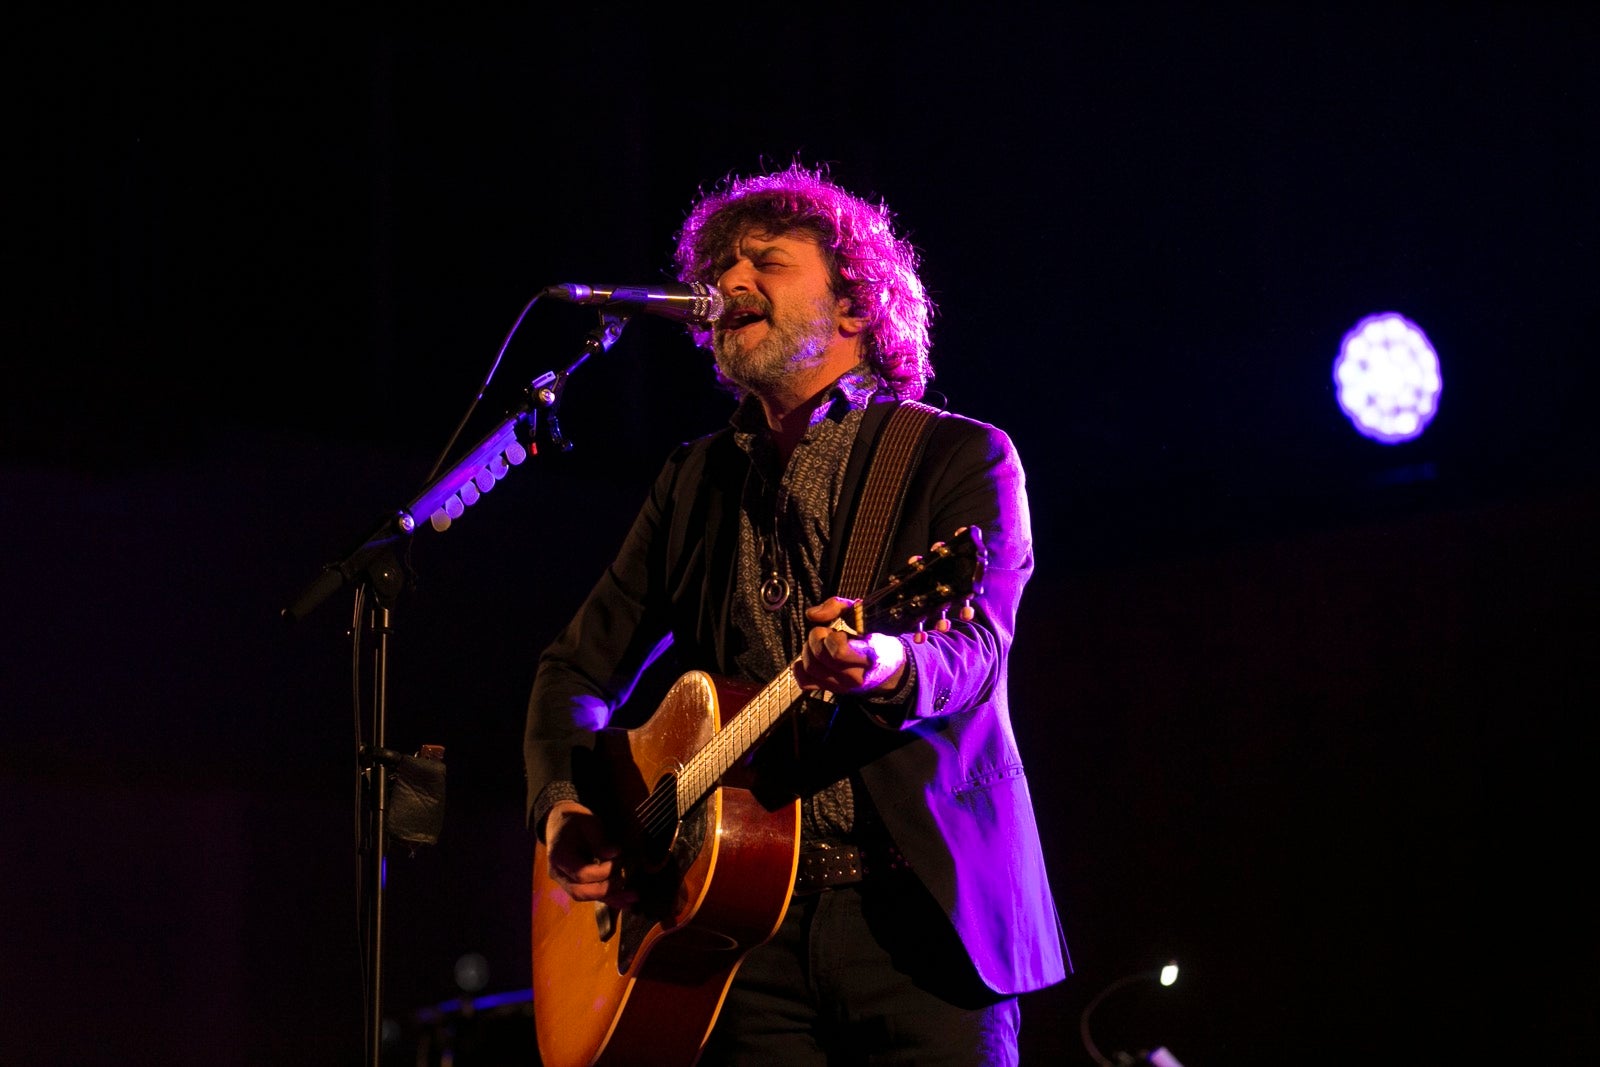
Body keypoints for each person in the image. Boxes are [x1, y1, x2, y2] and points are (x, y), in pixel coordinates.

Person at [524, 161, 1070, 1066]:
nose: (727, 283)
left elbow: (977, 646)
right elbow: (571, 671)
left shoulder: (961, 456)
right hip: (736, 940)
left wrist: (890, 661)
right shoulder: (694, 479)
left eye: (765, 262)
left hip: (920, 923)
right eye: (720, 264)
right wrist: (565, 809)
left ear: (855, 307)